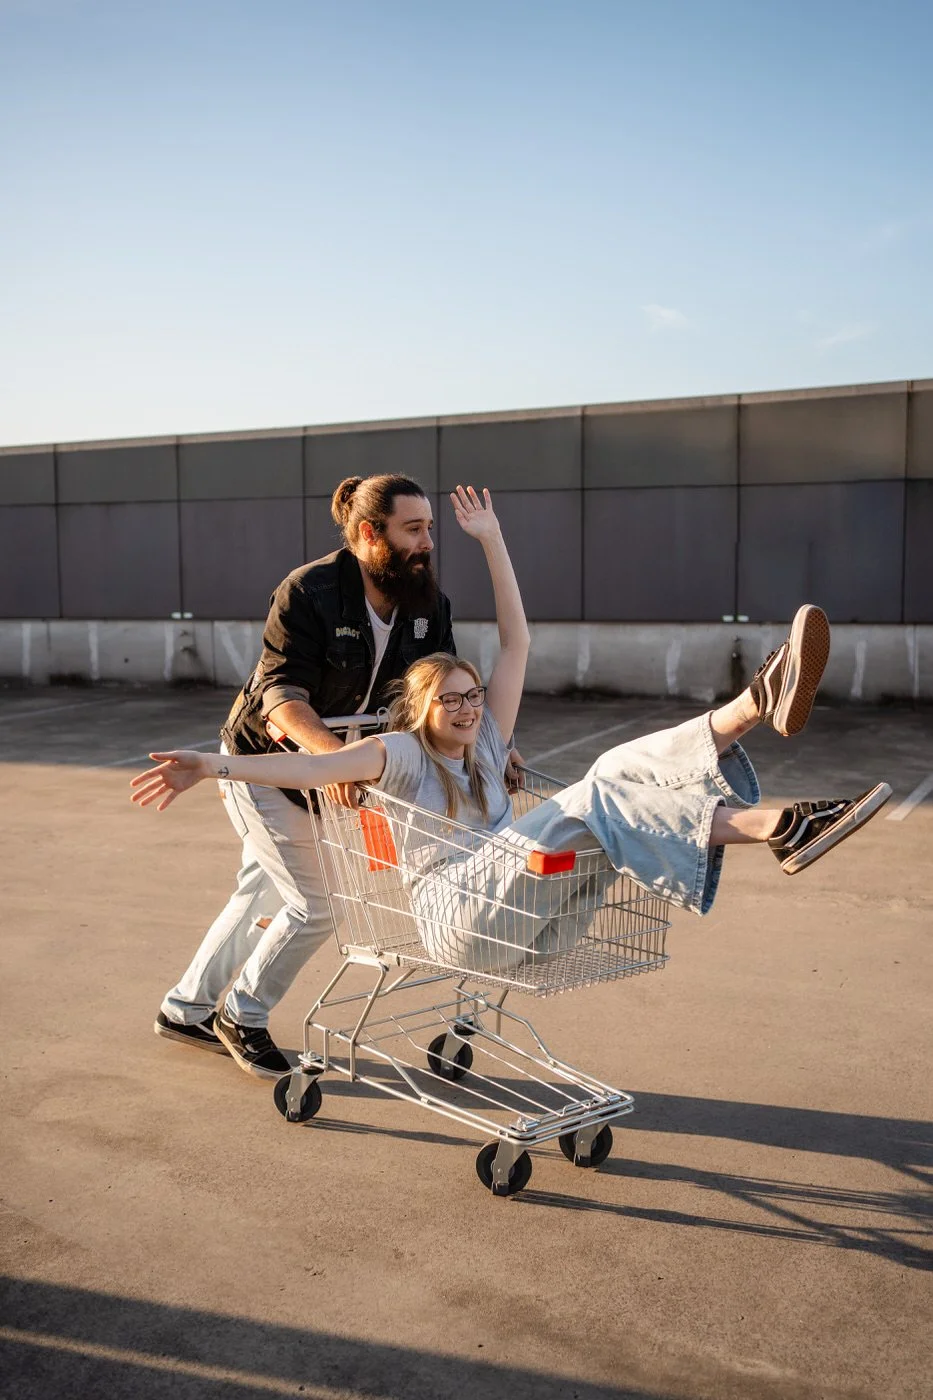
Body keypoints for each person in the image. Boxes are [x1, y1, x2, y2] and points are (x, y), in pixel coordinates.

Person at [135, 488, 891, 979]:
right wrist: (209, 764)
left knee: (613, 769)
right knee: (591, 802)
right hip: (458, 921)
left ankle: (754, 702)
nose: (469, 710)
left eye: (474, 697)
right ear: (420, 708)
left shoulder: (487, 743)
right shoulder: (396, 754)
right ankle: (776, 825)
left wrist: (490, 539)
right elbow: (297, 772)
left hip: (534, 920)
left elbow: (517, 641)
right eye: (453, 701)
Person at [154, 474, 462, 1078]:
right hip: (266, 769)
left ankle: (184, 1008)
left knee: (261, 892)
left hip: (340, 773)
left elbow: (440, 688)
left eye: (430, 528)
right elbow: (281, 695)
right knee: (315, 904)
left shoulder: (428, 604)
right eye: (414, 529)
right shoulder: (310, 591)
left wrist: (493, 746)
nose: (428, 542)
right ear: (371, 534)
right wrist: (327, 761)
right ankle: (243, 1013)